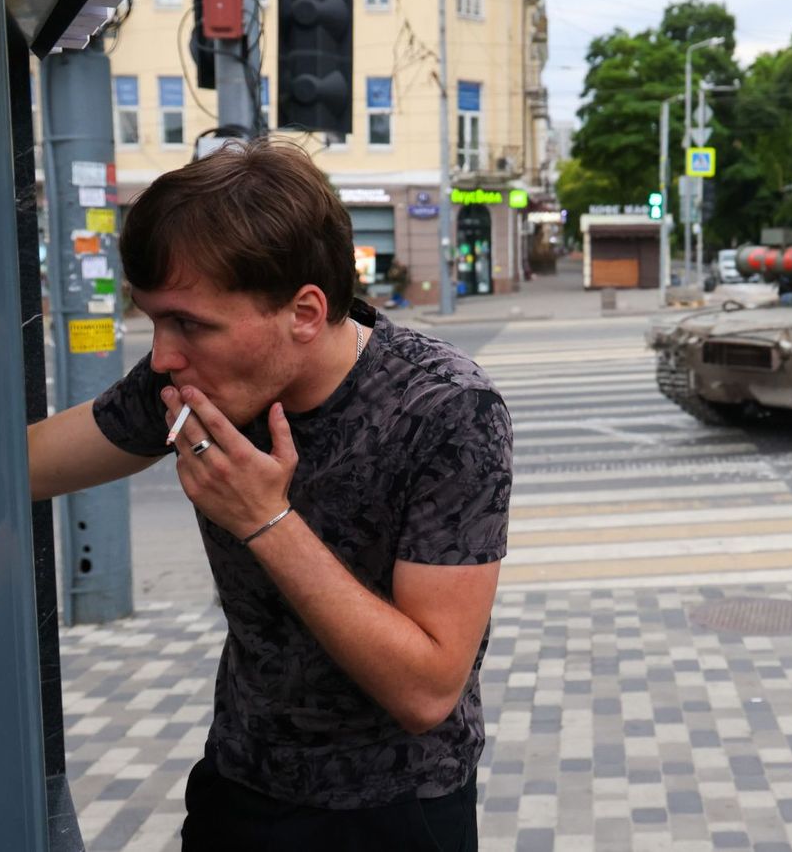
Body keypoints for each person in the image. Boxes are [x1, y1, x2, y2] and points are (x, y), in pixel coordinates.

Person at [28, 142, 511, 849]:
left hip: (398, 807)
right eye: (153, 318)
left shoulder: (445, 409)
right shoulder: (187, 382)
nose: (163, 353)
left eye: (190, 322)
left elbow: (427, 689)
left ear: (306, 312)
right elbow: (24, 467)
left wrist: (265, 518)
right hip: (243, 787)